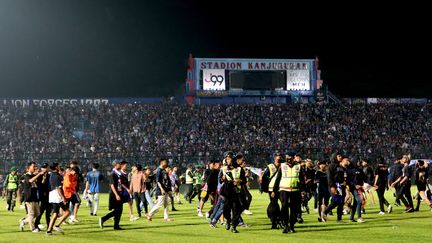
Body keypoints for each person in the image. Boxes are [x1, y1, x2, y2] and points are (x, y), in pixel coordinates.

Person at [273, 156, 304, 233]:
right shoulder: (282, 166)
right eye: (287, 158)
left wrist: (303, 190)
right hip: (284, 189)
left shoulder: (298, 166)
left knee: (294, 209)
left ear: (293, 158)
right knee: (284, 206)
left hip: (295, 190)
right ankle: (285, 225)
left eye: (290, 158)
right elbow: (278, 178)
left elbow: (302, 179)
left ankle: (292, 226)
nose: (288, 159)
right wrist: (274, 190)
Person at [220, 152, 246, 233]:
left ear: (233, 159)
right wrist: (222, 178)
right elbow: (220, 180)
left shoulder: (239, 169)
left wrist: (240, 181)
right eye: (226, 159)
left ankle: (234, 227)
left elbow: (244, 180)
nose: (227, 160)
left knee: (236, 210)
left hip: (236, 192)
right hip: (227, 193)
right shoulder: (224, 169)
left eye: (229, 158)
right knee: (225, 210)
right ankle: (228, 220)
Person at [99, 160, 128, 230]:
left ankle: (116, 226)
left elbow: (120, 183)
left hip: (119, 193)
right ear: (115, 165)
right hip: (114, 194)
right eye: (119, 164)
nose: (120, 165)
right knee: (118, 210)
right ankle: (103, 219)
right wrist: (116, 195)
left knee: (119, 210)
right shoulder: (113, 173)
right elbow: (112, 185)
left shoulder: (118, 173)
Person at [322, 156, 350, 222]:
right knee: (336, 201)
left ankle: (339, 218)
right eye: (346, 160)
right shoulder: (331, 166)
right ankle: (325, 212)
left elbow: (344, 178)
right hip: (336, 186)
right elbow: (330, 177)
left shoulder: (343, 167)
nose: (348, 161)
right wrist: (332, 186)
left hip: (342, 186)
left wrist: (346, 185)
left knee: (341, 202)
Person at [19, 162, 44, 232]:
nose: (35, 167)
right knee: (31, 214)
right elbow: (30, 181)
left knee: (37, 213)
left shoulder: (33, 175)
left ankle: (24, 221)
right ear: (28, 168)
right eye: (33, 166)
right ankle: (32, 228)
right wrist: (39, 174)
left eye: (35, 166)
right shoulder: (26, 175)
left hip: (35, 197)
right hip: (29, 197)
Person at [46, 163, 70, 235]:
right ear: (56, 167)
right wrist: (63, 198)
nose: (60, 166)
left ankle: (49, 230)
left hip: (53, 195)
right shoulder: (56, 176)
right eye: (58, 166)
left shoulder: (52, 175)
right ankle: (57, 225)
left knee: (55, 214)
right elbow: (58, 188)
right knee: (67, 212)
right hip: (57, 196)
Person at [260, 152, 282, 229]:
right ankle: (274, 222)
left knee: (284, 204)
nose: (279, 157)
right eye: (277, 156)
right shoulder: (270, 166)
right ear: (274, 158)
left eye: (280, 156)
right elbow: (264, 177)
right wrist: (264, 188)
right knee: (274, 205)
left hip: (283, 187)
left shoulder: (284, 166)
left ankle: (280, 219)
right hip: (272, 188)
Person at [34, 163, 51, 230]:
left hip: (49, 195)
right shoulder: (39, 176)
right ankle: (36, 223)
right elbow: (38, 185)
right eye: (43, 167)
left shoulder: (49, 175)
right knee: (40, 211)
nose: (44, 169)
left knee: (48, 212)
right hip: (41, 196)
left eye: (46, 167)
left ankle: (49, 225)